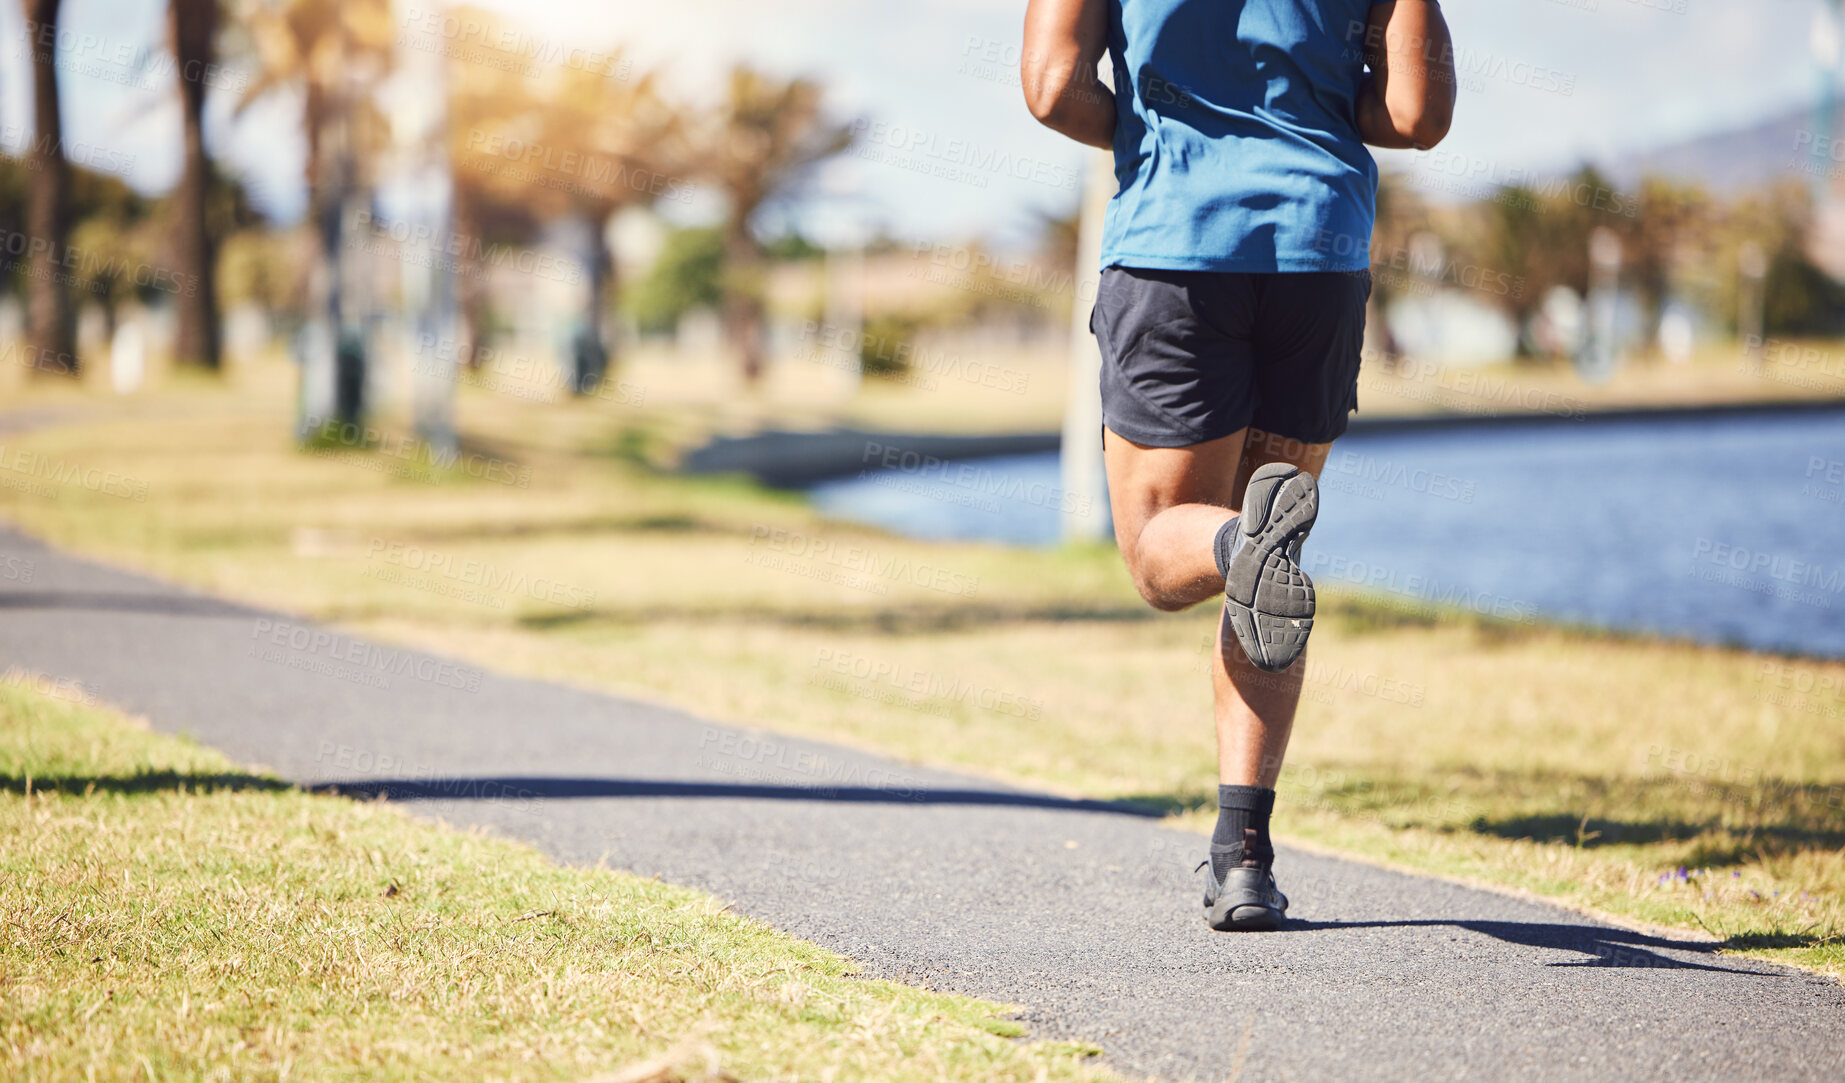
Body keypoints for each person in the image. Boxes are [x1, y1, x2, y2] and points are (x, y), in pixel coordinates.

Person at [1020, 0, 1455, 930]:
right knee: (1271, 571)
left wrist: (1153, 127)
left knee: (1161, 557)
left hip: (1175, 247)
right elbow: (1416, 116)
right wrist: (1314, 110)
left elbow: (1053, 89)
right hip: (1319, 249)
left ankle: (1232, 538)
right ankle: (1242, 857)